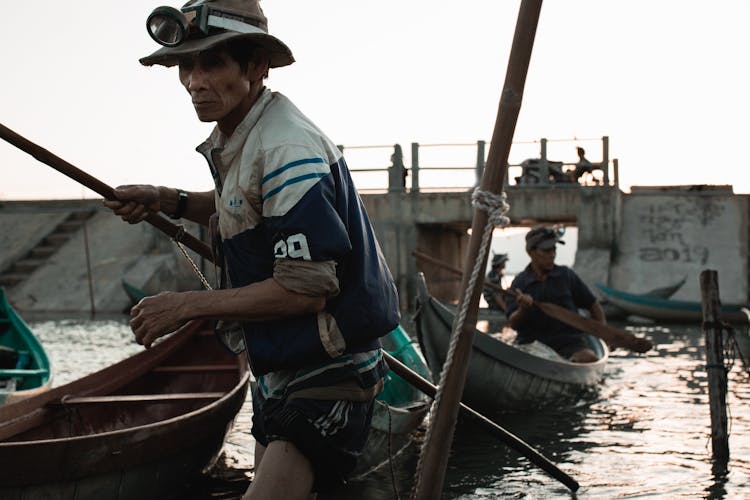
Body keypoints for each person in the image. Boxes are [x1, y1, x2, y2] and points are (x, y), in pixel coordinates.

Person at [103, 1, 400, 498]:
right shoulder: (244, 134)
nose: (195, 81)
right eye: (186, 66)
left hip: (328, 371)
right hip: (279, 369)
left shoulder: (286, 147)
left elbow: (306, 289)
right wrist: (167, 200)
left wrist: (185, 306)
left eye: (212, 63)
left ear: (256, 66)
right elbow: (243, 209)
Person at [504, 226, 605, 363]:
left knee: (588, 358)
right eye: (546, 250)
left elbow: (592, 305)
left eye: (554, 249)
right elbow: (513, 323)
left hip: (570, 343)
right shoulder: (519, 283)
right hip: (532, 344)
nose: (552, 254)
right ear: (531, 252)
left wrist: (603, 334)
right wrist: (524, 309)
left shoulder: (566, 276)